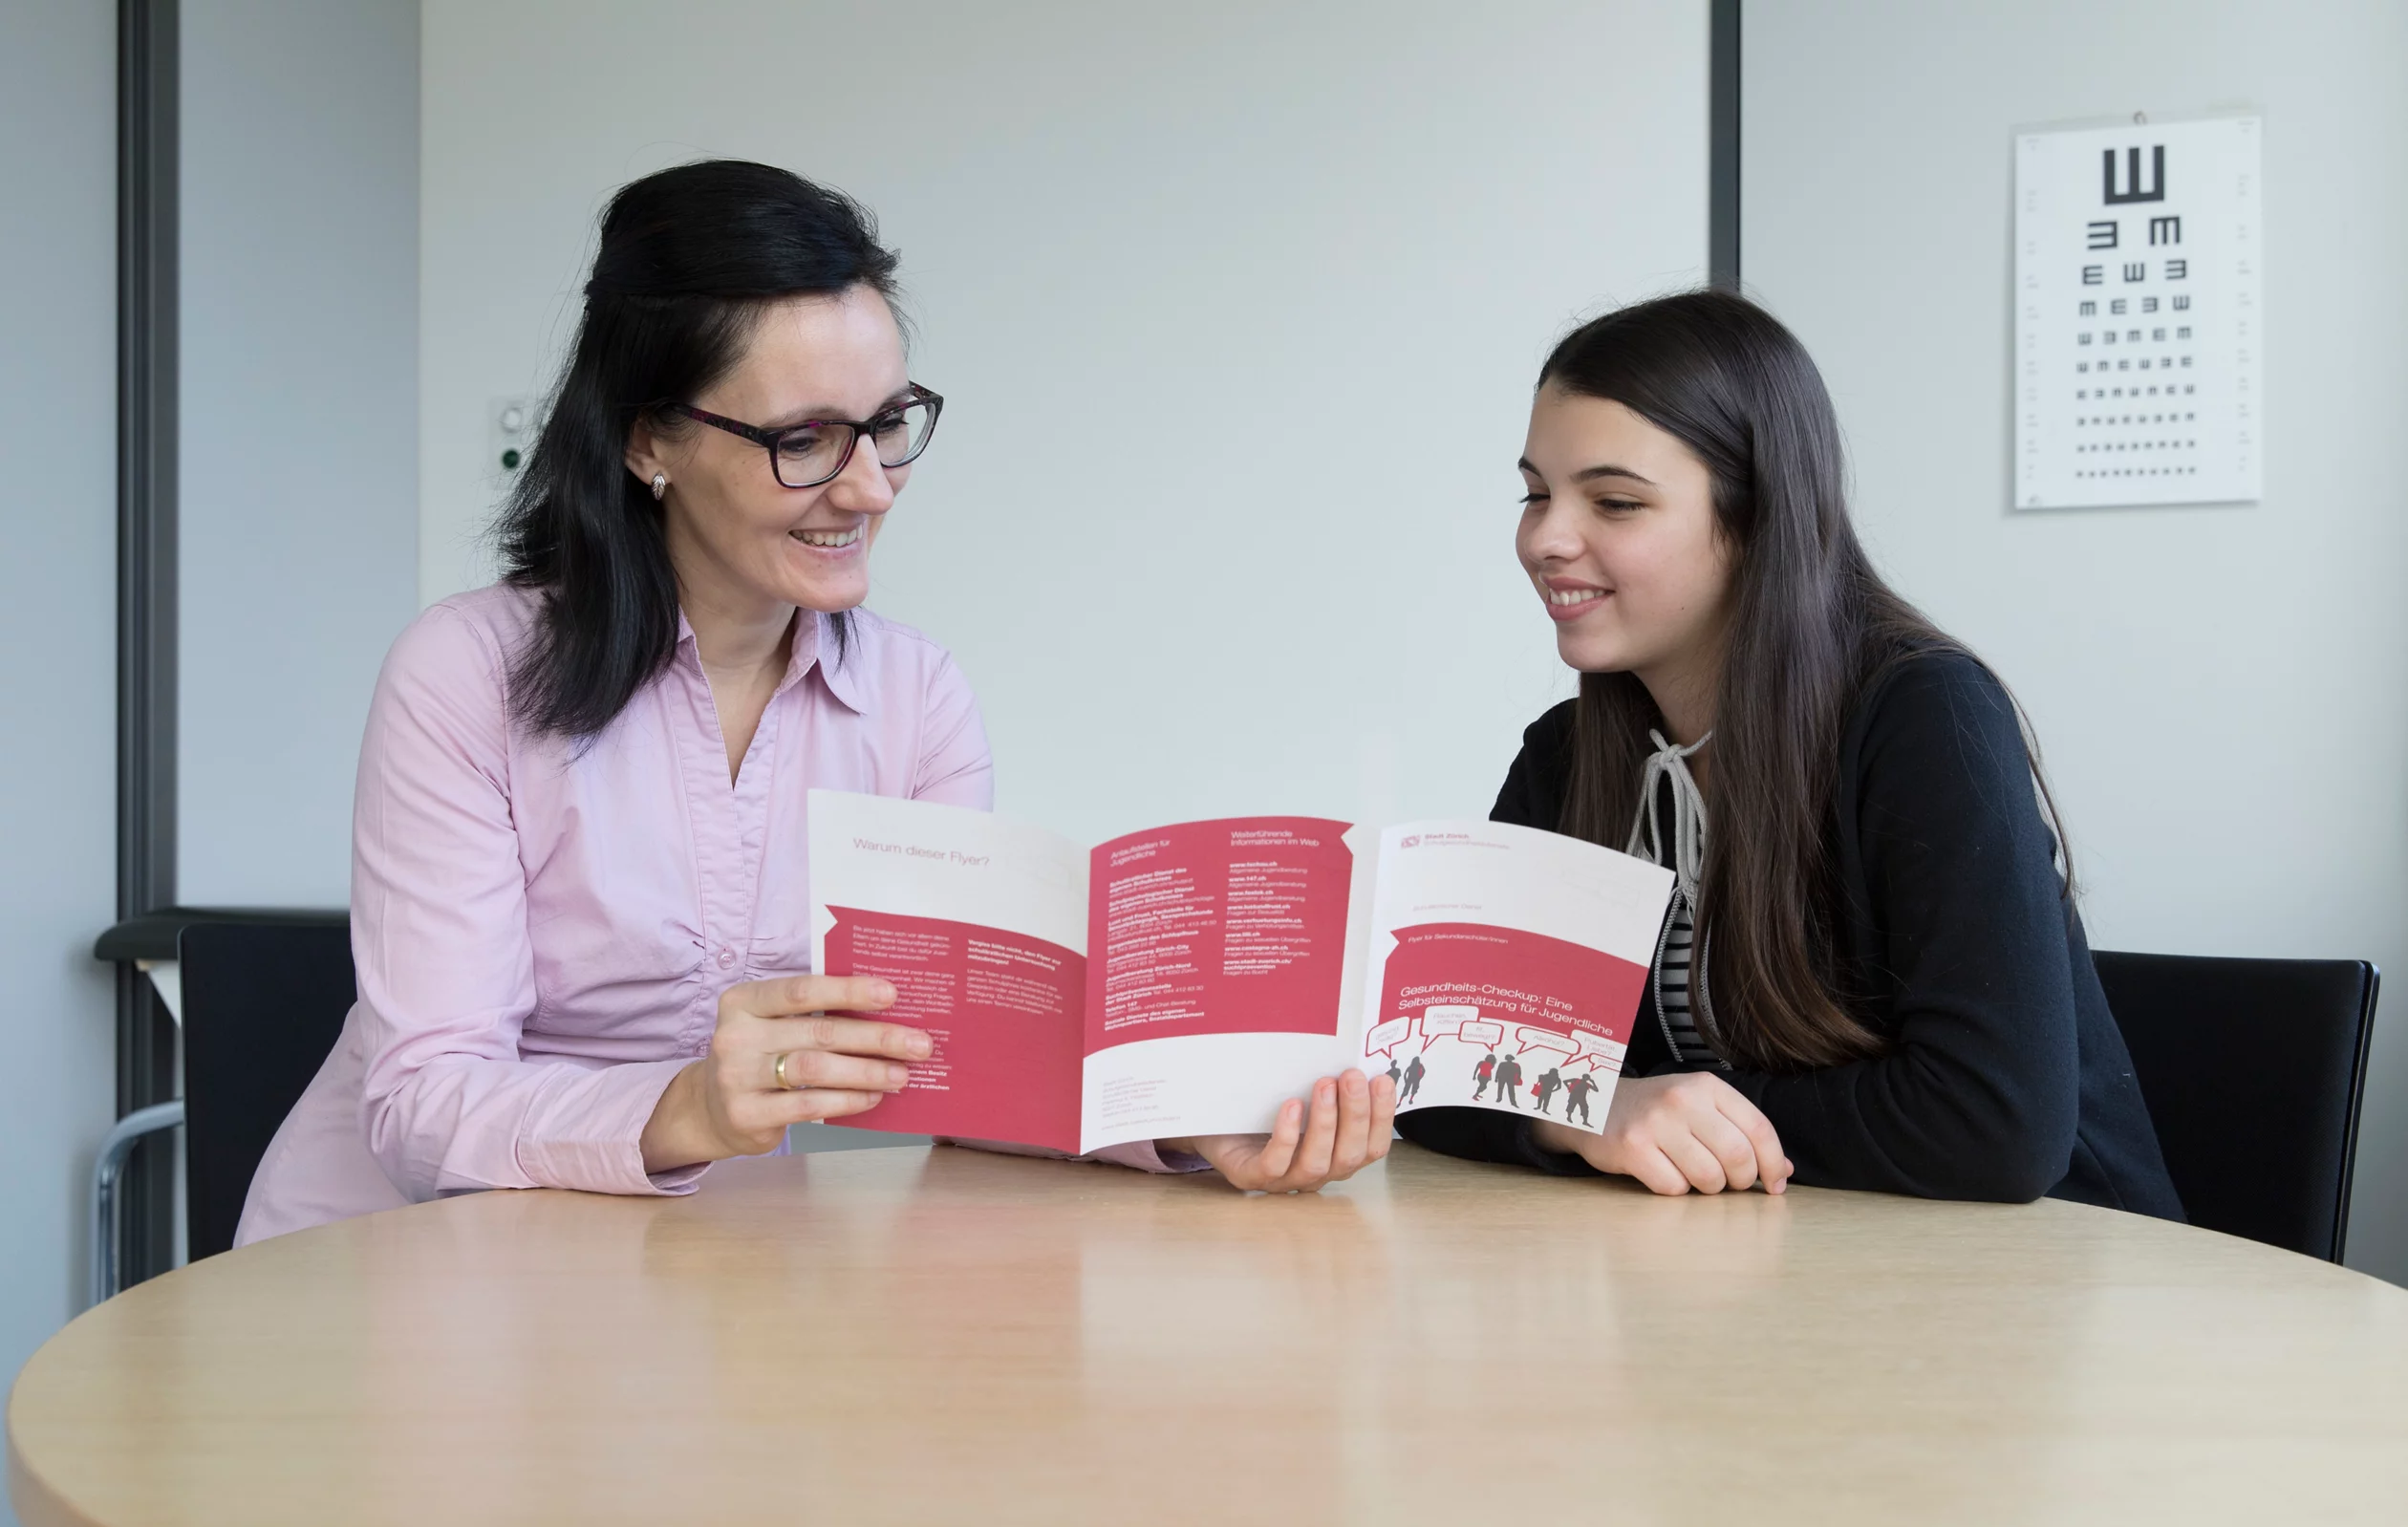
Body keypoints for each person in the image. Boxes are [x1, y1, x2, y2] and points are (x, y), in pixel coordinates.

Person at [237, 161, 1390, 1246]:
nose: (872, 486)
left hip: (685, 1276)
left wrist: (1191, 1123)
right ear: (651, 441)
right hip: (389, 1266)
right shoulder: (464, 672)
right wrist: (686, 1108)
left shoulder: (915, 700)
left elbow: (958, 1070)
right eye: (804, 440)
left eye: (889, 424)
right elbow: (423, 1103)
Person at [1395, 290, 2179, 1216]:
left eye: (1613, 501)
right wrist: (1593, 1109)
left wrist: (1668, 1115)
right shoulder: (1567, 756)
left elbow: (1995, 1127)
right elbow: (1435, 1069)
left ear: (1757, 514)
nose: (1544, 539)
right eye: (1536, 493)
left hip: (2038, 1284)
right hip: (1769, 1273)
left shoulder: (1922, 716)